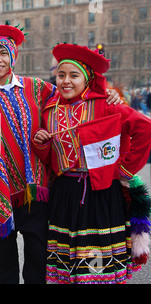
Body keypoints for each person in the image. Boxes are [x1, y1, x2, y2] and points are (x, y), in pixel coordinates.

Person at [0, 24, 123, 284]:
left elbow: (74, 98)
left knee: (39, 258)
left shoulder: (38, 88)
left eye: (3, 53)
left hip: (37, 190)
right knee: (1, 262)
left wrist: (106, 93)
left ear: (13, 56)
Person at [32, 43, 151, 284]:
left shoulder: (106, 105)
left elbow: (145, 129)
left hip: (100, 193)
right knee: (68, 263)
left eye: (74, 75)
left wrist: (123, 170)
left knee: (97, 264)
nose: (66, 81)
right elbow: (51, 160)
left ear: (87, 79)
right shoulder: (50, 110)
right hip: (64, 193)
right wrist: (42, 144)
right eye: (61, 75)